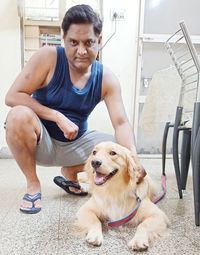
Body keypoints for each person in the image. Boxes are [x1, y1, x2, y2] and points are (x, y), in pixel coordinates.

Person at [4, 4, 139, 214]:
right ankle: (33, 185)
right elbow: (13, 96)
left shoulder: (107, 78)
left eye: (89, 43)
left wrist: (134, 161)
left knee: (117, 149)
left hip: (77, 143)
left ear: (99, 41)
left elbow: (121, 124)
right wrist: (56, 116)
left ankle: (71, 172)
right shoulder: (47, 57)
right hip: (42, 142)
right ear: (63, 38)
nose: (82, 51)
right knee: (17, 115)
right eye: (73, 43)